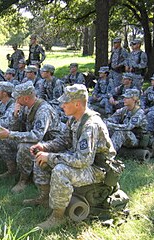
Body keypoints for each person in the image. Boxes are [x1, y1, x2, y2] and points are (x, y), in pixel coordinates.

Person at [30, 84, 116, 230]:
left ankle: (58, 216)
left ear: (77, 104)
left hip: (98, 169)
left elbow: (83, 161)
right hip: (84, 161)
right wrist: (44, 147)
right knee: (40, 158)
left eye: (65, 102)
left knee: (60, 170)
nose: (62, 105)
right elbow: (63, 140)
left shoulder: (90, 124)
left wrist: (50, 157)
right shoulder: (74, 118)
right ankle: (45, 198)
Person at [0, 81, 60, 192]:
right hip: (35, 139)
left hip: (49, 143)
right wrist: (15, 115)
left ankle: (24, 179)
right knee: (0, 137)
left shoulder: (43, 110)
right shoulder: (26, 106)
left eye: (17, 98)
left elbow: (37, 136)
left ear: (26, 98)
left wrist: (10, 134)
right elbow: (15, 128)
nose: (15, 100)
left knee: (24, 147)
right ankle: (12, 169)